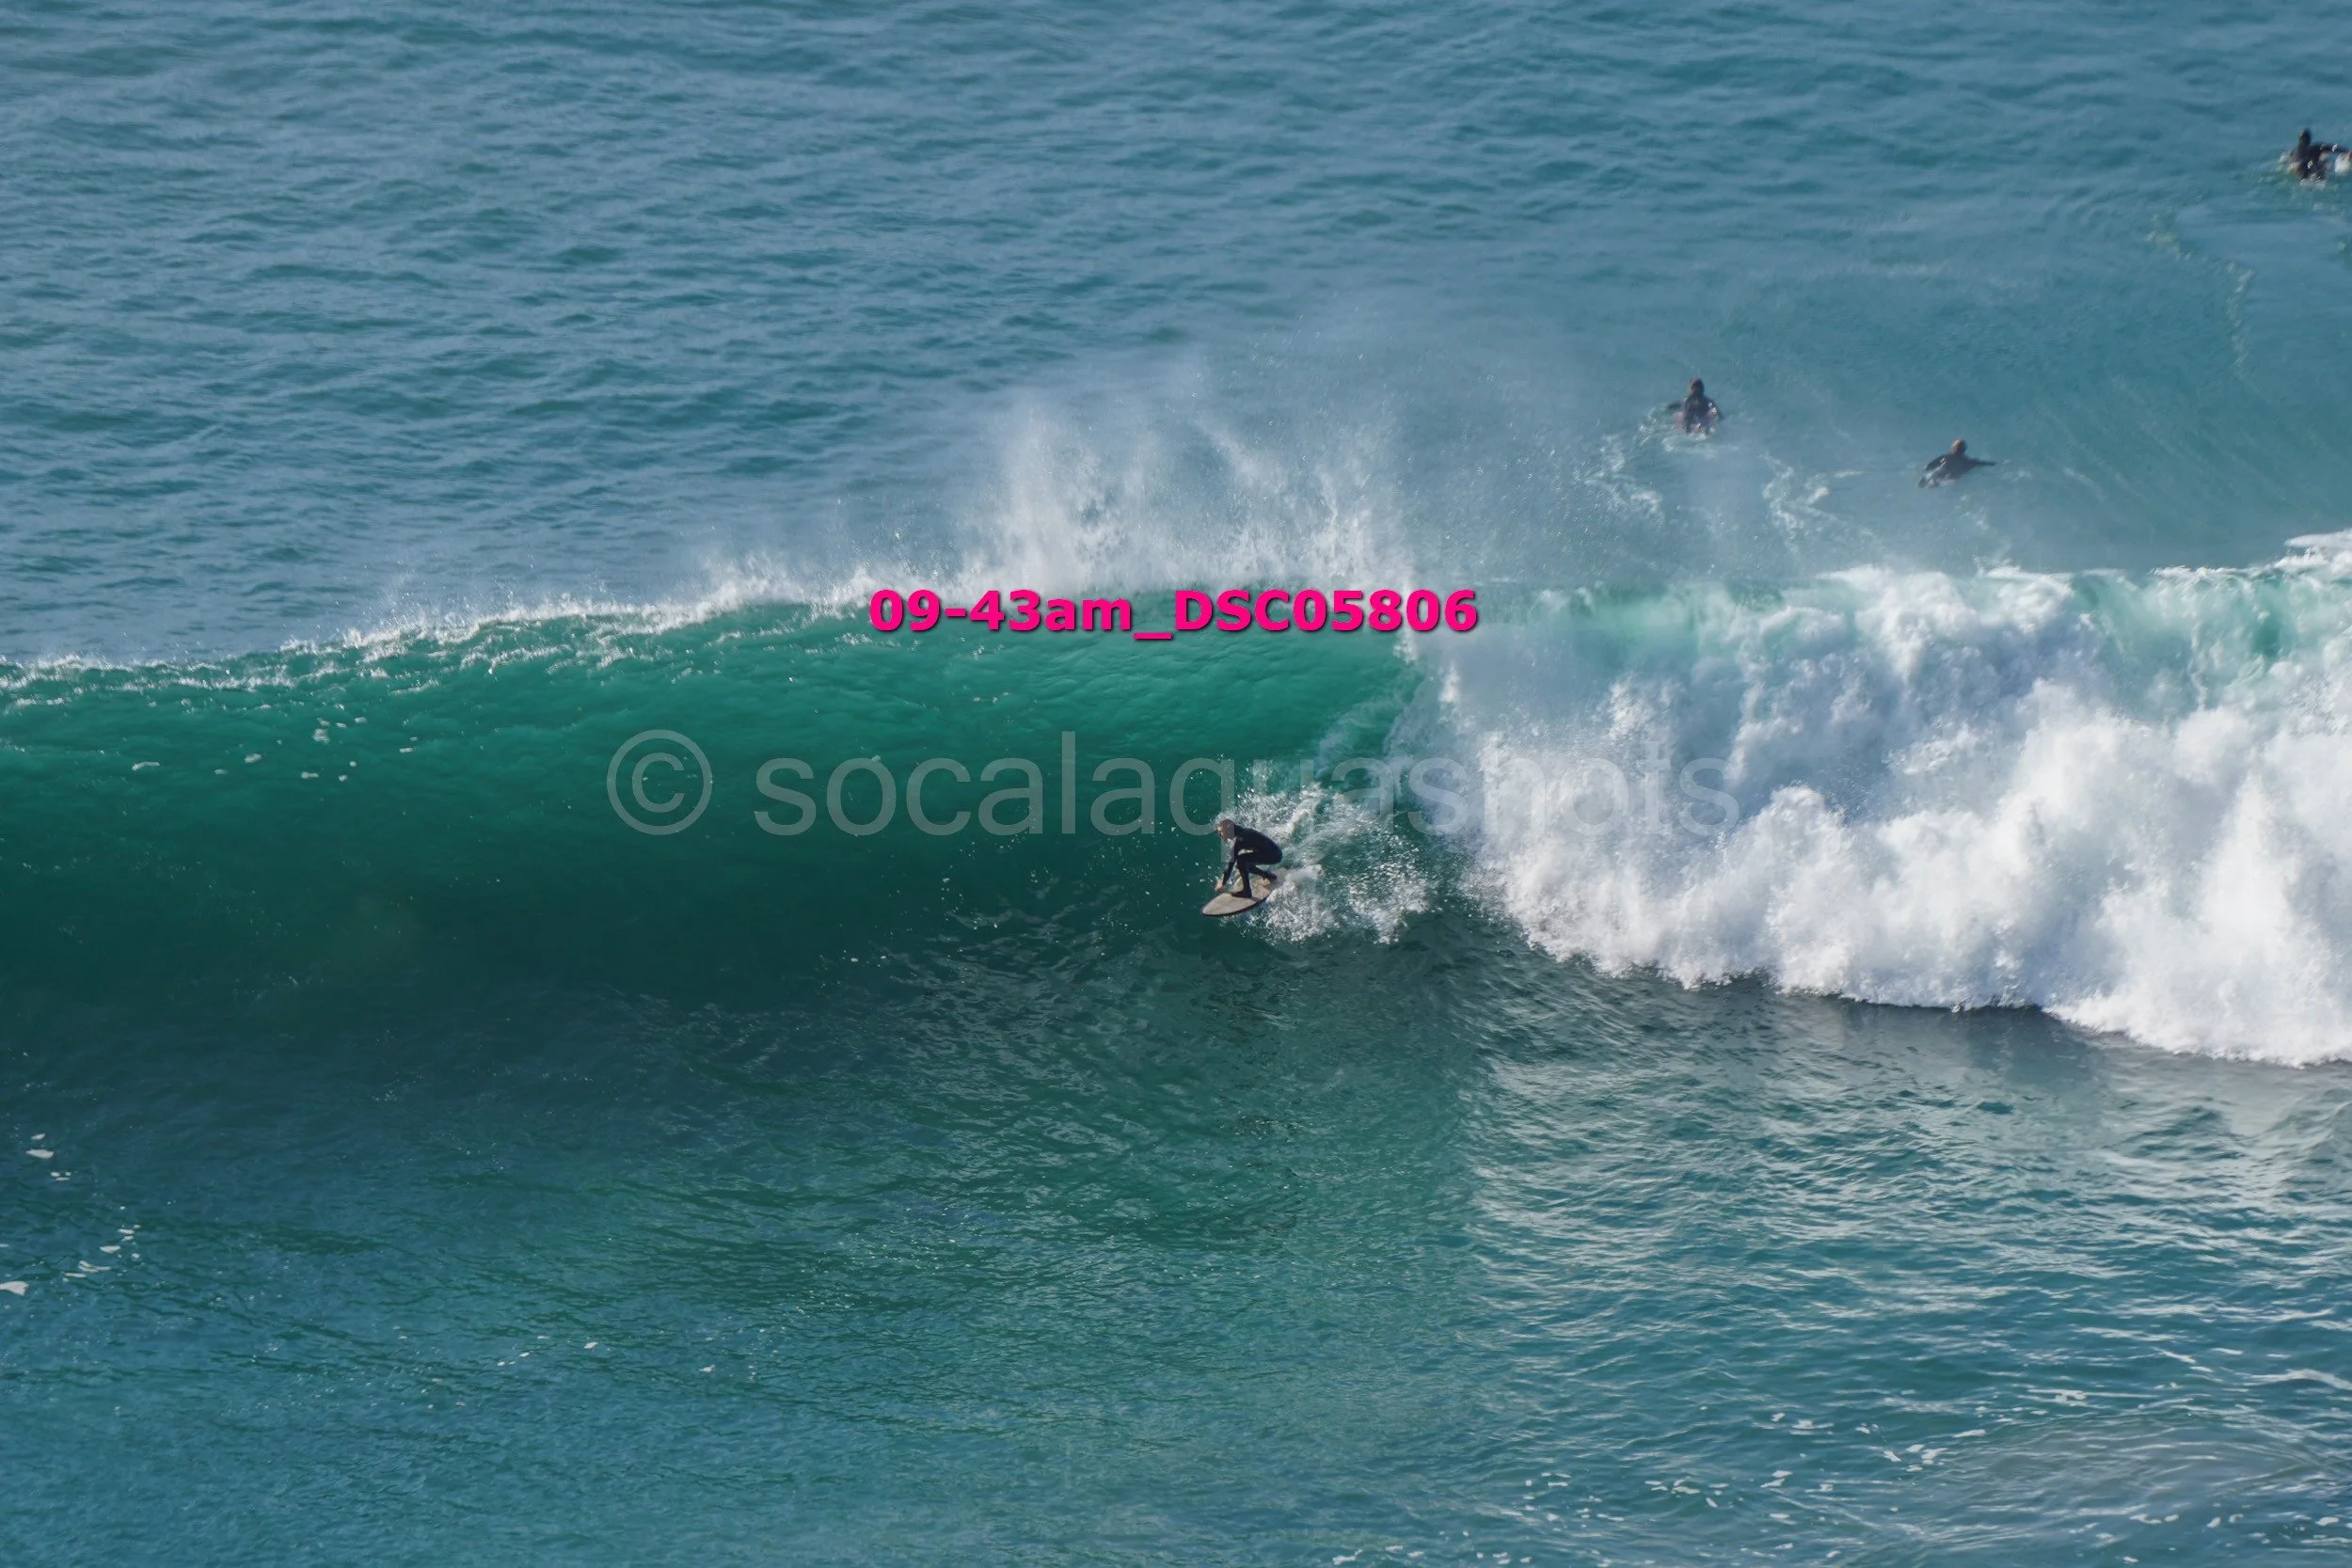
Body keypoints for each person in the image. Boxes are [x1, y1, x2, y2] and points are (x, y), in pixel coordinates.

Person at [1216, 818, 1282, 900]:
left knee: (1241, 861)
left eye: (1221, 832)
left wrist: (1222, 883)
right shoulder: (1242, 831)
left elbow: (1230, 865)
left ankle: (1246, 891)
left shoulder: (1238, 840)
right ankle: (1267, 875)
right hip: (1276, 853)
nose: (1220, 834)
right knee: (1242, 863)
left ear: (1228, 831)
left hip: (1274, 856)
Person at [1919, 438, 1994, 488]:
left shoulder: (1946, 458)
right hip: (1951, 480)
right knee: (1945, 482)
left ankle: (1929, 483)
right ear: (1964, 450)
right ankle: (1933, 483)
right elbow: (1982, 463)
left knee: (1930, 478)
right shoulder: (1968, 462)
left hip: (1939, 475)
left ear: (1953, 448)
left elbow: (1927, 467)